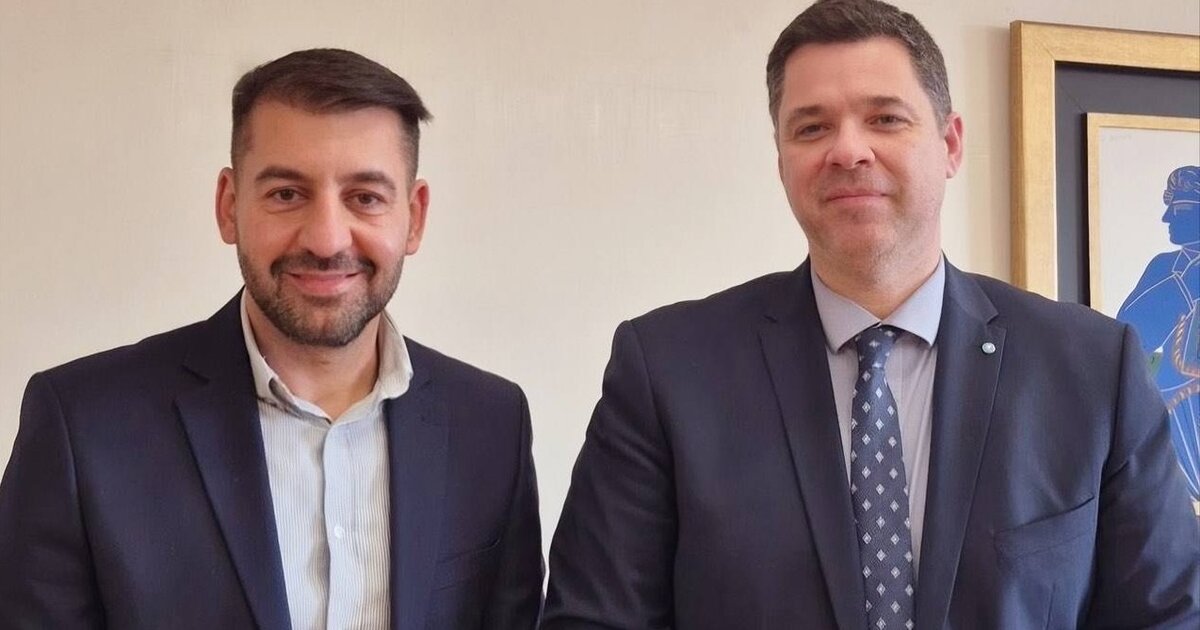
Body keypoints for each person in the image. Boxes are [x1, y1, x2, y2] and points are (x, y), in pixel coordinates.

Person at [542, 1, 1199, 628]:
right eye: (811, 127)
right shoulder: (667, 371)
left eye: (885, 118)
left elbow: (1169, 616)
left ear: (950, 144)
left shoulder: (1093, 368)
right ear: (781, 162)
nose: (848, 150)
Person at [0, 49, 543, 629]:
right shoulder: (83, 425)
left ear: (415, 216)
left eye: (365, 197)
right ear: (229, 206)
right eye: (287, 193)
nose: (327, 239)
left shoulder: (491, 425)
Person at [1117, 165, 1200, 514]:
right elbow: (1126, 338)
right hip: (1176, 412)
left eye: (1179, 209)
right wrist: (1180, 289)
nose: (1166, 218)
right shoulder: (1165, 268)